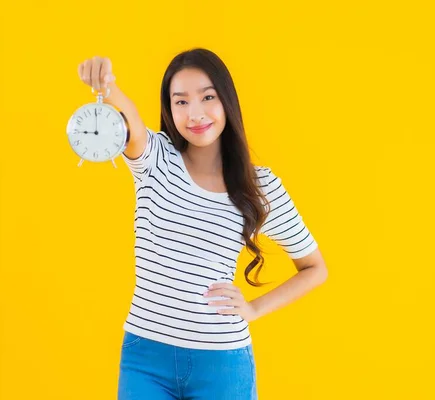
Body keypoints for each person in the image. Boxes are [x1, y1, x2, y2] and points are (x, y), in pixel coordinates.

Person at [77, 48, 328, 400]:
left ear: (226, 100)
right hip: (145, 356)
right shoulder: (156, 159)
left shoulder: (261, 185)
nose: (195, 113)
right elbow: (130, 121)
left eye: (207, 97)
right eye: (180, 102)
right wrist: (109, 87)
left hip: (222, 364)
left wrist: (254, 309)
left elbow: (315, 268)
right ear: (169, 109)